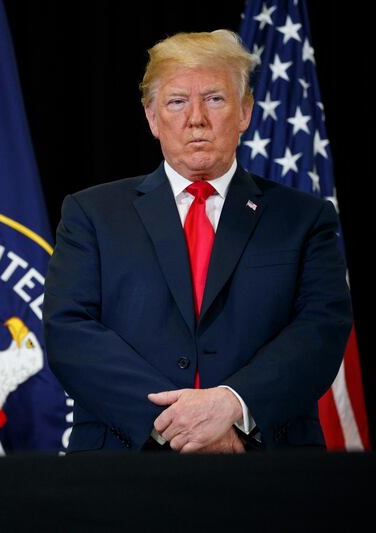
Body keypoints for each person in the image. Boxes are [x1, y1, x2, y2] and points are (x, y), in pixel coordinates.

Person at [43, 30, 352, 454]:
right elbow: (68, 331)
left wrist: (233, 406)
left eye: (214, 98)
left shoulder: (305, 218)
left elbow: (321, 329)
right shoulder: (91, 214)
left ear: (245, 112)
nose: (196, 118)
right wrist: (175, 424)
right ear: (152, 118)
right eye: (176, 101)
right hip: (122, 468)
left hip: (267, 468)